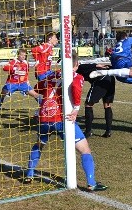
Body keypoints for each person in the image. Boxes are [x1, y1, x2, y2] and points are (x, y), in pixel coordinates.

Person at [23, 51, 107, 192]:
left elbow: (37, 89)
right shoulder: (77, 76)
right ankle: (91, 183)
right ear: (76, 65)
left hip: (44, 118)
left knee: (39, 144)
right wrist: (75, 109)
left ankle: (29, 174)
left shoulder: (51, 75)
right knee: (85, 149)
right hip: (63, 119)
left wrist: (43, 103)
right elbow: (75, 87)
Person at [0, 48, 42, 117]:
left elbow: (26, 73)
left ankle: (45, 108)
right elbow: (4, 68)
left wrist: (27, 81)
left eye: (24, 55)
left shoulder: (26, 63)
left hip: (23, 84)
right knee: (3, 94)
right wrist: (13, 68)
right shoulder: (13, 62)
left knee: (36, 95)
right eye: (22, 55)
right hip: (12, 83)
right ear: (18, 55)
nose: (23, 57)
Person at [76, 61, 116, 138]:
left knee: (88, 104)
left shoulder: (80, 67)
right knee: (107, 104)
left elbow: (96, 65)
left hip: (101, 79)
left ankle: (88, 131)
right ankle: (108, 131)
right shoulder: (79, 68)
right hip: (110, 78)